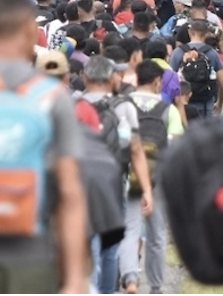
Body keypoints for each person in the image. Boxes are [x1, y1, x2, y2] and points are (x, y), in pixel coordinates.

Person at [0, 0, 89, 294]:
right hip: (31, 260)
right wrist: (75, 277)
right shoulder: (52, 98)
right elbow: (70, 194)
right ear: (29, 32)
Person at [80, 56, 153, 294]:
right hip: (114, 183)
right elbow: (136, 150)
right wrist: (146, 189)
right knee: (111, 247)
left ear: (85, 78)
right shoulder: (123, 106)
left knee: (89, 239)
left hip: (82, 184)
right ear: (112, 78)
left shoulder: (74, 104)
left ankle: (91, 285)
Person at [118, 60, 184, 295]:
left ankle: (129, 278)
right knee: (156, 235)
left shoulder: (122, 104)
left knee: (129, 228)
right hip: (157, 177)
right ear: (157, 82)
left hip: (125, 174)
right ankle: (156, 288)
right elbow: (175, 145)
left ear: (136, 79)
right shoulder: (169, 110)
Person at [168, 20, 223, 119]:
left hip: (184, 104)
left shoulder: (178, 52)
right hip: (206, 103)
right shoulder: (212, 53)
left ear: (189, 33)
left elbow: (171, 81)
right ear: (206, 35)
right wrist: (220, 103)